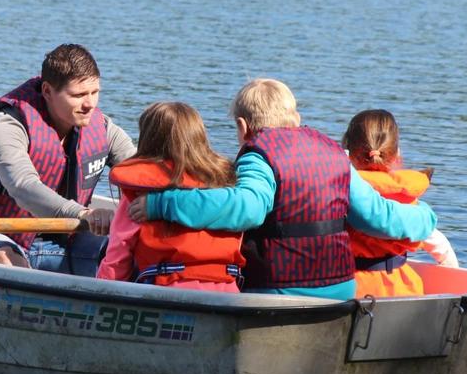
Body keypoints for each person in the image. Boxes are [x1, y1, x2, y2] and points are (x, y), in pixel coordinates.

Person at [129, 79, 438, 300]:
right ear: (297, 119)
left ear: (242, 127)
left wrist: (164, 204)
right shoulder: (334, 153)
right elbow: (377, 217)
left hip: (279, 289)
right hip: (341, 288)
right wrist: (425, 217)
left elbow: (245, 209)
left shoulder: (258, 155)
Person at [0, 43, 136, 275]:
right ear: (47, 91)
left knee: (129, 252)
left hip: (62, 239)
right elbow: (24, 186)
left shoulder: (102, 128)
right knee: (8, 260)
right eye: (78, 95)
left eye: (95, 92)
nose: (90, 104)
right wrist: (83, 214)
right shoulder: (6, 127)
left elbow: (140, 169)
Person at [97, 102, 244, 292]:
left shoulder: (140, 192)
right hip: (228, 288)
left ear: (147, 140)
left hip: (167, 289)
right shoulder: (223, 185)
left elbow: (118, 257)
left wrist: (100, 290)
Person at [342, 109, 459, 298]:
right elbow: (440, 246)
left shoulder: (340, 193)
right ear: (397, 155)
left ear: (348, 152)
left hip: (349, 288)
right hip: (402, 290)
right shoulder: (407, 200)